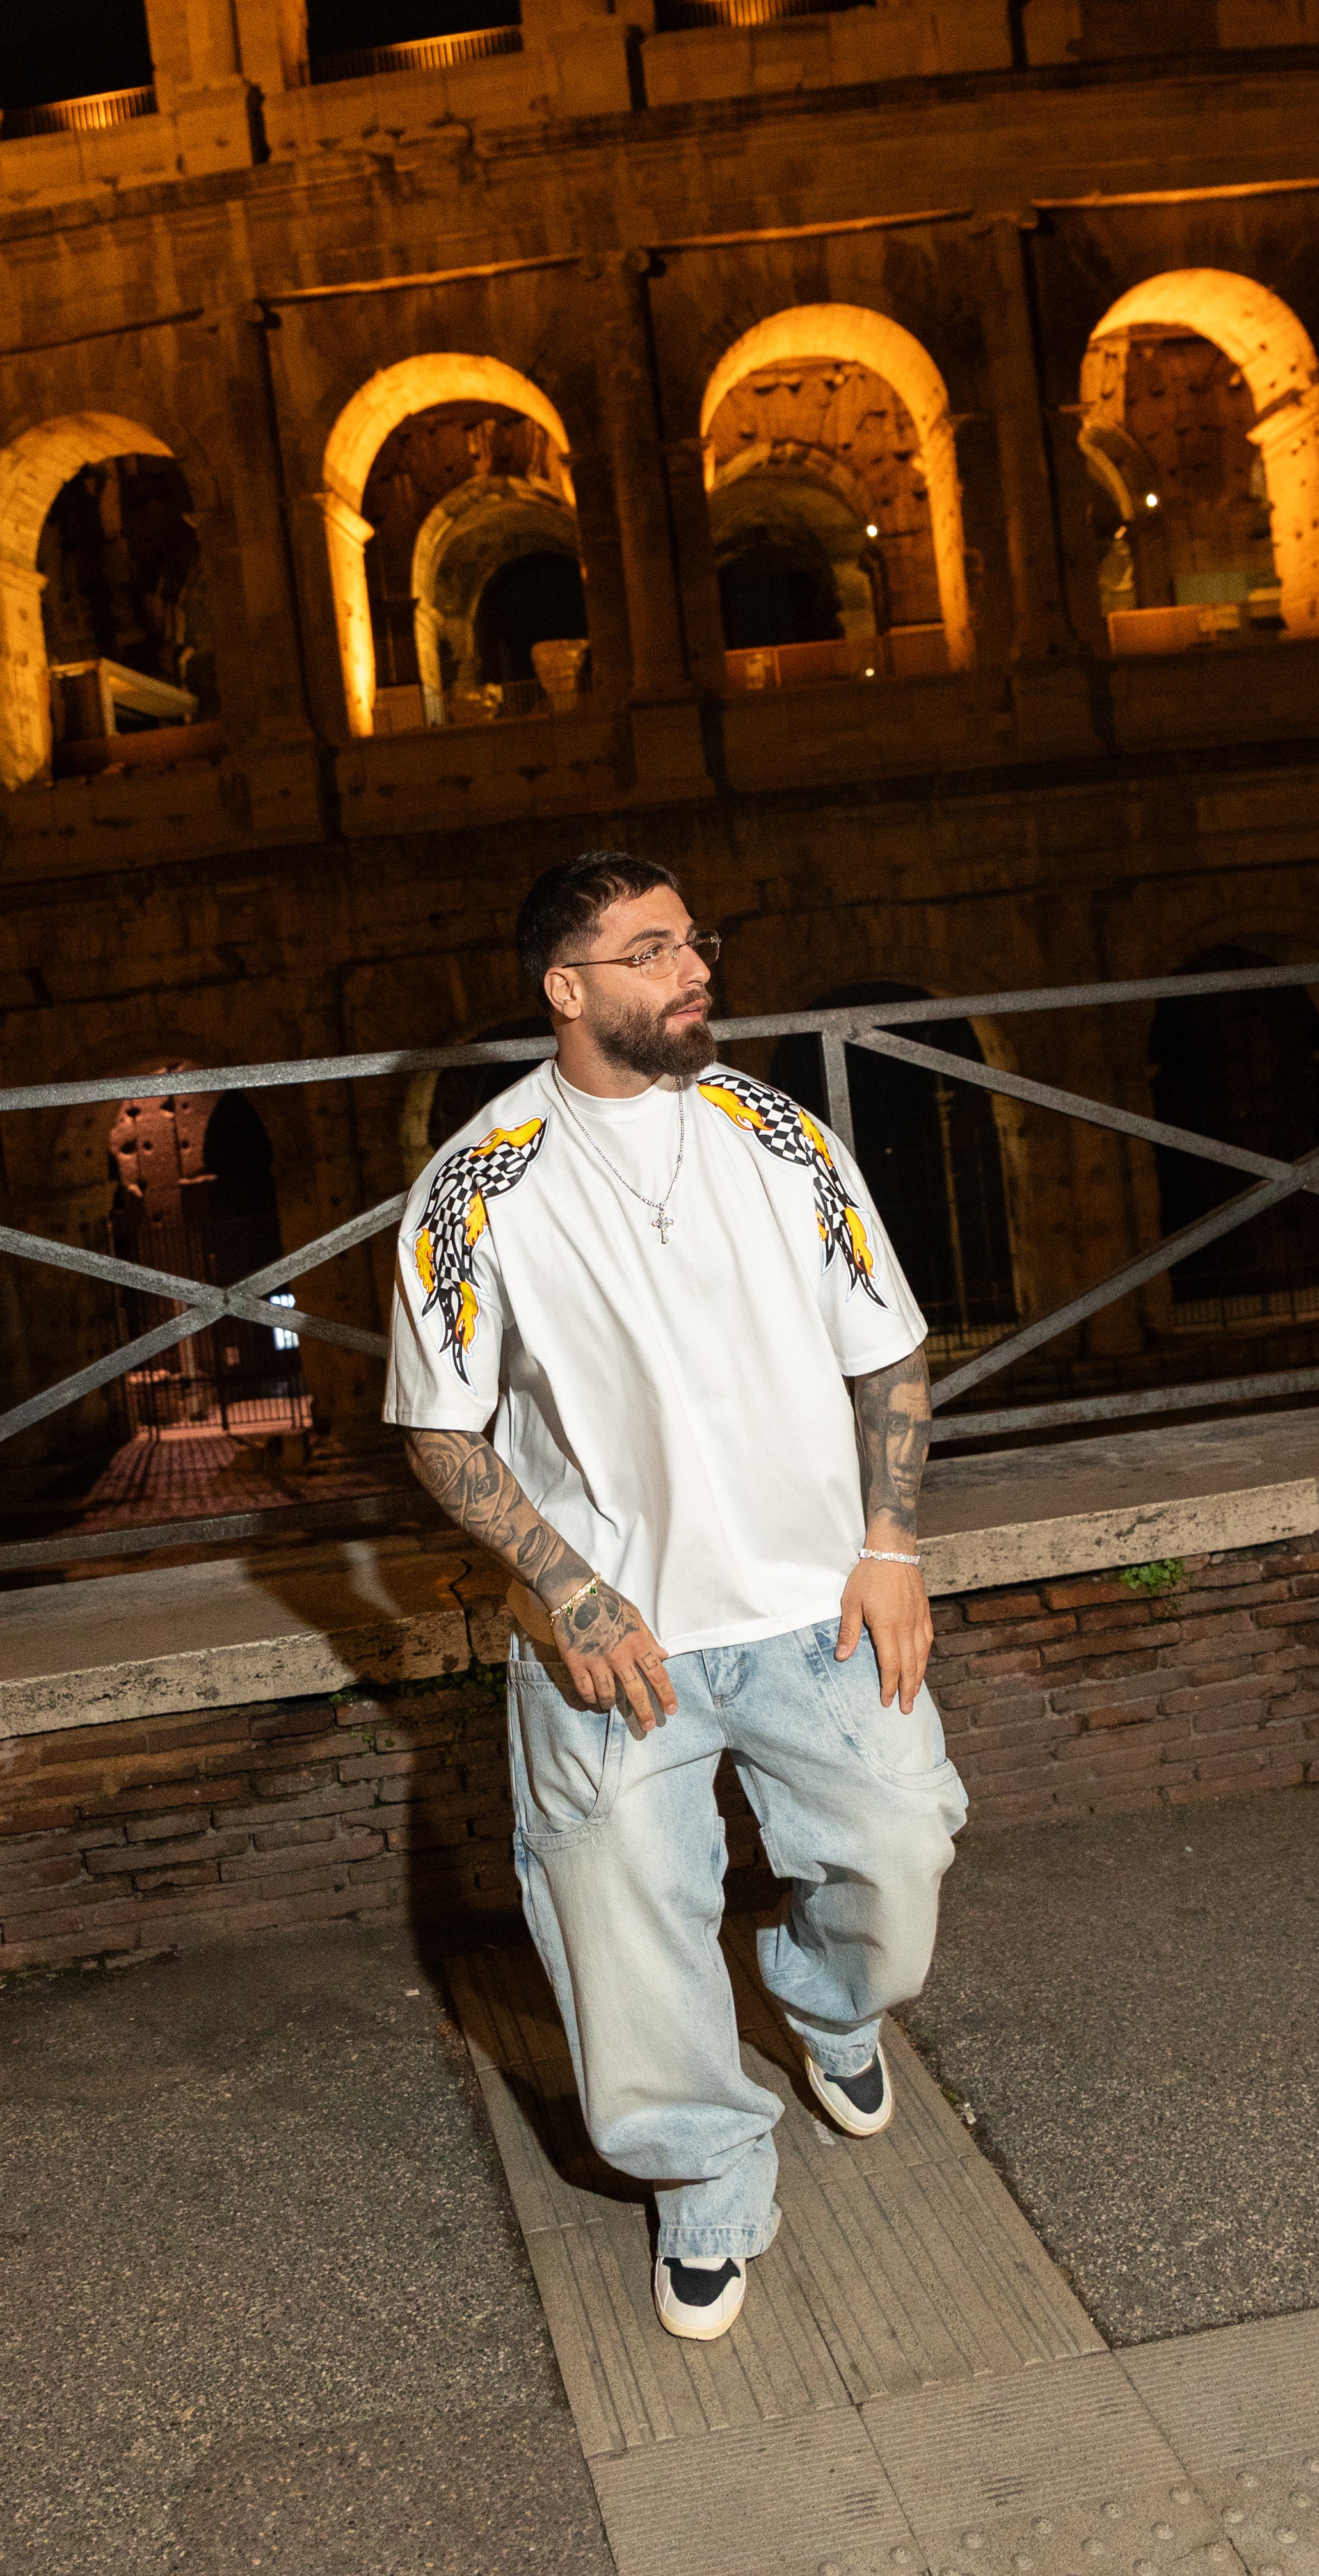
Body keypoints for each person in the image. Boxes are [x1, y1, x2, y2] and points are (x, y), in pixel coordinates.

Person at [385, 849, 967, 2342]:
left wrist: (893, 1545)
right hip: (616, 1636)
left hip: (818, 1608)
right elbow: (442, 1429)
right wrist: (568, 1589)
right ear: (564, 989)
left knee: (900, 1857)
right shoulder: (477, 1184)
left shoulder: (782, 1137)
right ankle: (704, 2178)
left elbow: (889, 1349)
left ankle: (829, 2007)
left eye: (693, 940)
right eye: (649, 951)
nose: (693, 967)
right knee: (625, 1928)